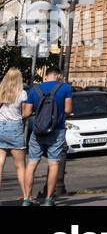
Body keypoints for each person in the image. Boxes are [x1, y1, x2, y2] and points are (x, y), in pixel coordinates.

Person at [22, 66, 72, 206]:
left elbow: (27, 112)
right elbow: (68, 109)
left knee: (32, 163)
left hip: (38, 130)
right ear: (58, 76)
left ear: (46, 76)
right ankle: (49, 199)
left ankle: (27, 199)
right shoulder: (65, 88)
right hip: (57, 129)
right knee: (54, 162)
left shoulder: (34, 90)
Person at [0, 68, 31, 204]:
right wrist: (20, 118)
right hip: (15, 128)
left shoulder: (0, 91)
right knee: (20, 166)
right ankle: (26, 198)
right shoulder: (22, 93)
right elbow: (25, 113)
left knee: (0, 165)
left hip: (0, 126)